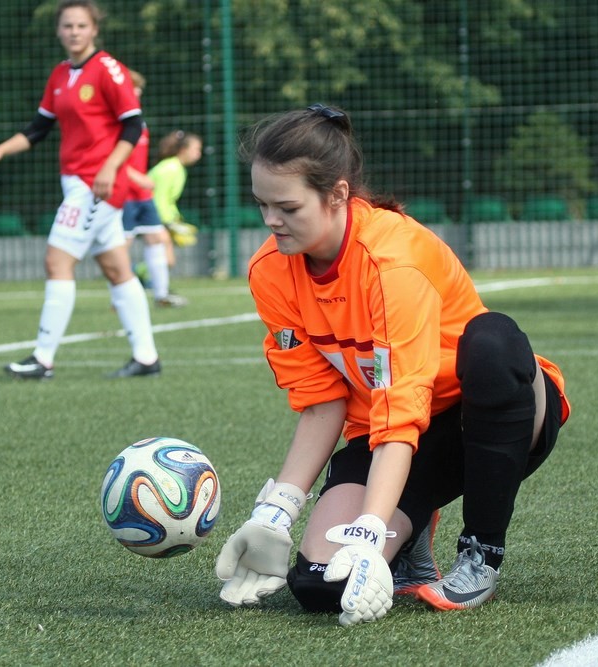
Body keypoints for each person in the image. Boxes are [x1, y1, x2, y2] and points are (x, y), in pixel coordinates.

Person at [214, 104, 571, 626]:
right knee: (319, 586)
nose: (271, 221)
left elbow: (400, 409)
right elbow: (321, 404)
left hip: (487, 418)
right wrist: (276, 511)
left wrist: (368, 533)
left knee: (493, 341)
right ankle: (411, 536)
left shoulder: (392, 262)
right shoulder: (270, 271)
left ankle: (481, 551)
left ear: (337, 195)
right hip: (395, 435)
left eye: (287, 207)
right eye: (262, 204)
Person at [0, 0, 160, 379]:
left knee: (57, 261)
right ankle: (146, 358)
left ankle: (42, 359)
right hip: (79, 182)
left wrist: (109, 167)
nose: (74, 32)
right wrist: (0, 149)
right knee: (117, 268)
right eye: (67, 26)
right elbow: (38, 128)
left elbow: (132, 125)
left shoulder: (108, 69)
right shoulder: (60, 74)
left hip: (96, 185)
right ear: (58, 30)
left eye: (81, 25)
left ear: (94, 29)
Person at [121, 70, 186, 308]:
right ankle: (119, 297)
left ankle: (161, 295)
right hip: (123, 195)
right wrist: (137, 178)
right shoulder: (114, 121)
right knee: (121, 246)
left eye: (139, 88)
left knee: (157, 238)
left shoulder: (138, 120)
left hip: (142, 195)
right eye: (133, 88)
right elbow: (107, 158)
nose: (137, 92)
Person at [147, 130, 203, 279]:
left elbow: (167, 200)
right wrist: (169, 222)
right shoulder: (170, 169)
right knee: (167, 259)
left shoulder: (176, 168)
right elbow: (158, 198)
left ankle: (149, 281)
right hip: (148, 214)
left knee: (167, 259)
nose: (199, 154)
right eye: (196, 149)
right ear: (183, 150)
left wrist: (175, 219)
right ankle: (140, 277)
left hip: (157, 216)